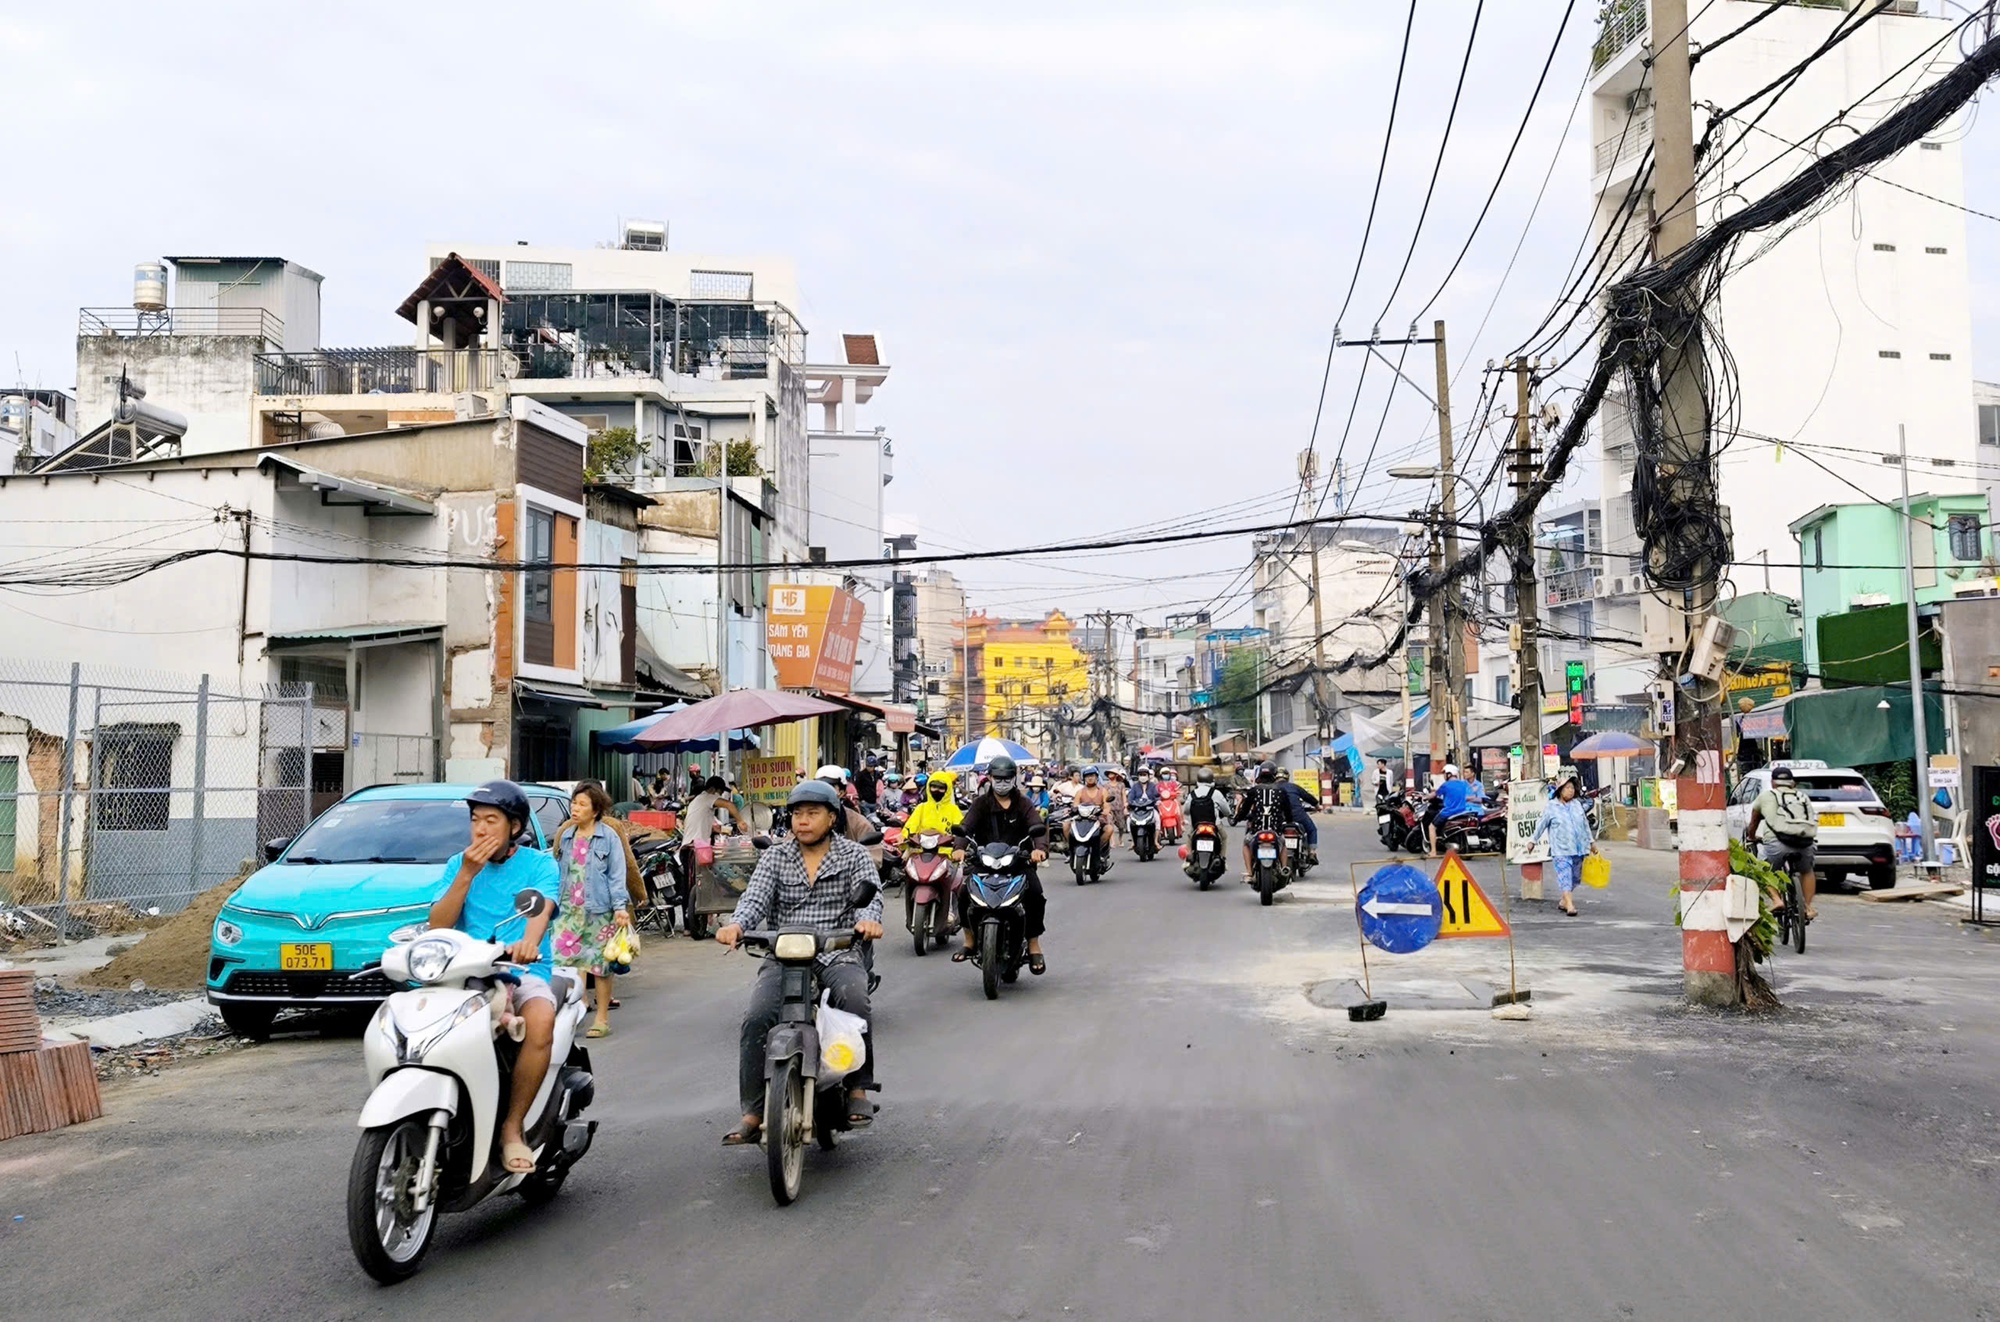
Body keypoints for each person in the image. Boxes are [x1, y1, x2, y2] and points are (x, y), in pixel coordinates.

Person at [716, 779, 883, 1143]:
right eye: (796, 814)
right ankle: (753, 1112)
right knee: (757, 1017)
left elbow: (872, 896)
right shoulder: (775, 856)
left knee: (855, 999)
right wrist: (737, 925)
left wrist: (869, 920)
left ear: (832, 818)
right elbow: (754, 899)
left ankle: (858, 1089)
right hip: (785, 955)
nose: (802, 821)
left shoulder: (853, 855)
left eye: (812, 814)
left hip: (836, 950)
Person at [426, 781, 560, 1174]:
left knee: (540, 1023)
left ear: (514, 827)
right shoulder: (457, 865)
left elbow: (540, 910)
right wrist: (467, 874)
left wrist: (528, 944)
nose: (480, 829)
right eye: (474, 821)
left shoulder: (539, 864)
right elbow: (438, 925)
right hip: (466, 974)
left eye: (490, 820)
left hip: (522, 970)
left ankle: (512, 1127)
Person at [951, 754, 1050, 973]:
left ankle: (1034, 945)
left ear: (1015, 779)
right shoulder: (980, 804)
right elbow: (966, 827)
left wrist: (1039, 849)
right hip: (985, 862)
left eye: (1007, 779)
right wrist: (958, 848)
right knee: (964, 893)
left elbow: (1037, 826)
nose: (1002, 783)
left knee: (1035, 894)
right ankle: (968, 941)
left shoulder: (1023, 803)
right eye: (998, 778)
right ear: (990, 778)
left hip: (1017, 863)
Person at [550, 780, 630, 1039]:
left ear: (595, 810)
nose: (575, 808)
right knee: (566, 964)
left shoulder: (609, 837)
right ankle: (573, 1014)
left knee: (600, 965)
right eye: (574, 802)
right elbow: (559, 872)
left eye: (582, 804)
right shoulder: (566, 835)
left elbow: (617, 874)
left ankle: (602, 1018)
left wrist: (620, 907)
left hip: (599, 911)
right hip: (567, 911)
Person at [1747, 764, 1820, 921]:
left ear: (1773, 783)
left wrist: (1751, 837)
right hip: (1804, 842)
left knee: (1764, 869)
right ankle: (1807, 907)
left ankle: (1777, 900)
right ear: (1792, 783)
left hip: (1777, 844)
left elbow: (1753, 822)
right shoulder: (1802, 797)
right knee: (1807, 871)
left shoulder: (1766, 796)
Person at [1530, 776, 1597, 916]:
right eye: (1567, 788)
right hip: (1560, 849)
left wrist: (1591, 843)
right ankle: (1570, 906)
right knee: (1565, 876)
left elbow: (1585, 825)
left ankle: (1563, 901)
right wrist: (1533, 840)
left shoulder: (1577, 805)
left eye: (1572, 788)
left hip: (1578, 848)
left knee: (1575, 878)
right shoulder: (1551, 807)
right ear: (1560, 790)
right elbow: (1541, 824)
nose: (1570, 791)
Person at [1232, 761, 1290, 882]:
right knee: (1283, 844)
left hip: (1256, 831)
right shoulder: (1281, 791)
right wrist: (1289, 821)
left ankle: (1249, 872)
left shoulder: (1254, 791)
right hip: (1275, 831)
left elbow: (1244, 809)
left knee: (1246, 844)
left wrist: (1237, 818)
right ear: (1274, 775)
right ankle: (1284, 869)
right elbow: (1288, 810)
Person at [1181, 765, 1231, 875]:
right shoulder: (1216, 793)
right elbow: (1227, 811)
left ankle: (1188, 859)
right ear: (1212, 780)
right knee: (1224, 838)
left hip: (1196, 826)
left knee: (1189, 837)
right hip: (1215, 825)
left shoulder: (1192, 794)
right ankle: (1222, 859)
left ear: (1198, 780)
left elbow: (1186, 811)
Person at [1426, 763, 1475, 857]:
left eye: (1445, 773)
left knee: (1431, 827)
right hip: (1462, 811)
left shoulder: (1446, 785)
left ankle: (1433, 851)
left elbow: (1434, 795)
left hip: (1448, 812)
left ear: (1449, 774)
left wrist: (1425, 797)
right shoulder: (1463, 784)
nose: (1444, 776)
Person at [902, 769, 964, 839]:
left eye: (941, 788)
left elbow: (960, 829)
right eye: (934, 787)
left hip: (946, 848)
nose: (937, 790)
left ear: (947, 790)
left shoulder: (954, 810)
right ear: (929, 787)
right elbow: (910, 827)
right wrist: (906, 836)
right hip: (922, 847)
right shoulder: (921, 808)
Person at [1275, 768, 1320, 864]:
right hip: (1298, 815)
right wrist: (1317, 806)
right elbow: (1308, 796)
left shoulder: (1272, 788)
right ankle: (1312, 853)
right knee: (1312, 830)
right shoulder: (1294, 787)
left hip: (1279, 817)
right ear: (1287, 777)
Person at [1073, 769, 1113, 874]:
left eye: (1092, 775)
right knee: (1066, 826)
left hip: (1098, 819)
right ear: (1084, 778)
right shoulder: (1080, 792)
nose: (1090, 778)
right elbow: (1075, 805)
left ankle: (1098, 850)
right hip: (1082, 820)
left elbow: (1107, 806)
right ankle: (1070, 852)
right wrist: (1073, 810)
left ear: (1096, 777)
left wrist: (1104, 812)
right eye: (1087, 776)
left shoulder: (1103, 791)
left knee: (1109, 829)